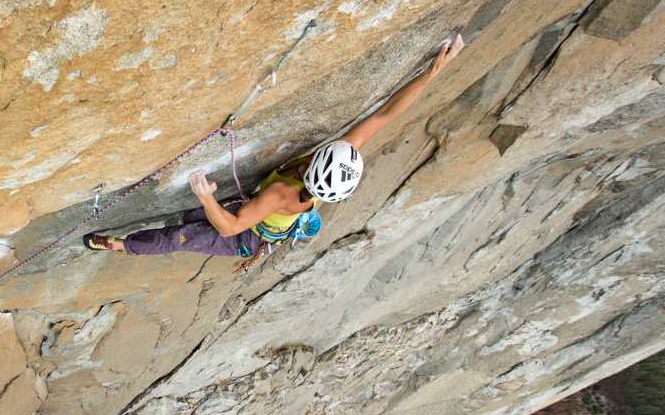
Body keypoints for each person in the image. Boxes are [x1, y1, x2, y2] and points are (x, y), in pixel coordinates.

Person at [84, 35, 464, 257]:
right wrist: (433, 72)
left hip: (249, 235)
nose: (315, 152)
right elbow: (385, 117)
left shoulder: (283, 194)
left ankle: (120, 246)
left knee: (181, 235)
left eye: (314, 158)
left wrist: (206, 197)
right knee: (189, 221)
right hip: (264, 219)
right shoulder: (337, 158)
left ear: (311, 173)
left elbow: (232, 228)